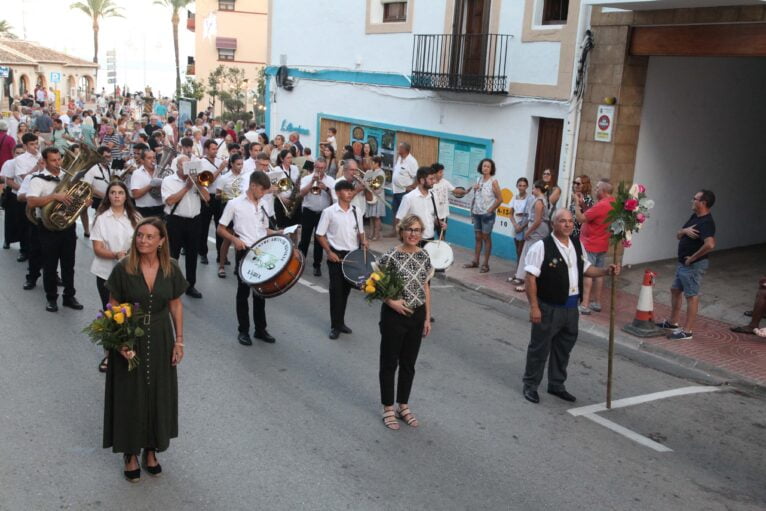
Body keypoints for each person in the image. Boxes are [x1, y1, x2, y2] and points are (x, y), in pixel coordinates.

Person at [103, 217, 188, 482]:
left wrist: (179, 340)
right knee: (131, 393)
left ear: (161, 241)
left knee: (157, 392)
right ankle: (130, 452)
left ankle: (151, 449)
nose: (143, 240)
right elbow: (113, 306)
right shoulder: (123, 268)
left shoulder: (171, 268)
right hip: (131, 334)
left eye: (150, 237)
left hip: (162, 335)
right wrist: (120, 343)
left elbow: (175, 304)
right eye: (140, 235)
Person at [521, 209, 620, 404]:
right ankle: (530, 385)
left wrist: (605, 271)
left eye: (570, 222)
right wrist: (534, 307)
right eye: (562, 221)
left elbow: (586, 269)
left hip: (571, 308)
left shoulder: (577, 244)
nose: (568, 225)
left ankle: (556, 384)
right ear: (553, 224)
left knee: (563, 349)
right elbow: (530, 278)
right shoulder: (541, 247)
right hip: (549, 307)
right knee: (539, 349)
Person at [377, 214, 433, 430]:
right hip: (394, 316)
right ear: (402, 232)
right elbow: (376, 285)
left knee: (409, 364)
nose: (413, 234)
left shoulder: (424, 256)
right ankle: (388, 407)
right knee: (389, 362)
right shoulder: (390, 256)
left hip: (416, 316)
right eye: (409, 229)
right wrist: (392, 303)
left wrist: (427, 317)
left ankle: (403, 405)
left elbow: (426, 287)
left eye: (417, 230)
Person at [217, 171, 283, 346]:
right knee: (243, 293)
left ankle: (260, 329)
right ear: (253, 186)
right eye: (262, 190)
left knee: (261, 292)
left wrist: (279, 233)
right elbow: (221, 229)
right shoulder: (234, 204)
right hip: (244, 250)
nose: (263, 194)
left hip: (262, 251)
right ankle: (243, 330)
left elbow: (265, 230)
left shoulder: (264, 205)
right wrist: (235, 240)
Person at [89, 181, 142, 372]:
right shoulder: (101, 218)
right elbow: (98, 249)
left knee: (133, 313)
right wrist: (117, 255)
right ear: (108, 196)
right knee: (111, 314)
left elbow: (144, 240)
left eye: (120, 192)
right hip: (106, 273)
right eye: (113, 193)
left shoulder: (135, 217)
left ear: (126, 196)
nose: (117, 196)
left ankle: (131, 350)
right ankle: (109, 354)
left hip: (132, 273)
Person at [25, 147, 85, 312]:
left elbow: (75, 199)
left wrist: (83, 202)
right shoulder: (38, 180)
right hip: (47, 228)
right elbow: (31, 202)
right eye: (53, 160)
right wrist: (53, 197)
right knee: (50, 265)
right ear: (44, 161)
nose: (58, 163)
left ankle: (69, 296)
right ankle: (51, 298)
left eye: (59, 159)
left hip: (67, 227)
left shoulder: (69, 178)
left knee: (68, 264)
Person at [657, 189, 716, 340]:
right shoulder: (694, 217)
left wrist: (693, 258)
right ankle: (672, 322)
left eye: (694, 198)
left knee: (691, 295)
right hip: (683, 263)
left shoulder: (707, 222)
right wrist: (684, 230)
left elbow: (710, 245)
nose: (692, 200)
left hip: (692, 266)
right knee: (675, 289)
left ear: (703, 203)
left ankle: (688, 331)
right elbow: (678, 235)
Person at [316, 180, 366, 339]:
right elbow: (319, 234)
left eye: (351, 191)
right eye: (346, 191)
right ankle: (335, 326)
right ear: (338, 193)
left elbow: (361, 231)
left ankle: (341, 322)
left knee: (346, 291)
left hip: (353, 256)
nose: (350, 193)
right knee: (336, 292)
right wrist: (329, 252)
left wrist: (364, 241)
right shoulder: (329, 212)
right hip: (336, 256)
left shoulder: (356, 211)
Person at [162, 154, 210, 299]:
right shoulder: (169, 180)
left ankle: (190, 285)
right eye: (185, 166)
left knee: (192, 254)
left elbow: (207, 198)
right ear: (178, 167)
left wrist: (199, 184)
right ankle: (170, 285)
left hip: (194, 221)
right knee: (173, 255)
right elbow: (170, 201)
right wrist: (186, 187)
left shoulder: (197, 181)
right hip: (175, 221)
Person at [574, 179, 615, 315]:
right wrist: (583, 204)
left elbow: (581, 218)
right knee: (599, 274)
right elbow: (591, 215)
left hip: (590, 243)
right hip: (602, 243)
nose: (595, 190)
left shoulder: (601, 205)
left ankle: (584, 304)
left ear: (603, 191)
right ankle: (596, 302)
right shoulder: (613, 203)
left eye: (597, 188)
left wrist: (576, 204)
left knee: (588, 273)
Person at [463, 158, 502, 273]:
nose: (485, 168)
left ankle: (485, 264)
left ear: (491, 169)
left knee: (486, 238)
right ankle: (476, 261)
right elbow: (477, 196)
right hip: (476, 213)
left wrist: (490, 209)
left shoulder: (493, 182)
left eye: (488, 167)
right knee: (477, 237)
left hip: (486, 215)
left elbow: (500, 199)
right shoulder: (478, 179)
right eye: (484, 166)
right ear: (481, 167)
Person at [298, 156, 335, 277]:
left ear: (326, 168)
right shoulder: (307, 178)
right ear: (314, 167)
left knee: (319, 241)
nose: (320, 170)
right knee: (304, 240)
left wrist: (326, 188)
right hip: (309, 211)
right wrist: (311, 183)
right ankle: (299, 263)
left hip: (323, 213)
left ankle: (317, 265)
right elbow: (301, 194)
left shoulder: (330, 180)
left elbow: (335, 198)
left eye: (322, 168)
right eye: (318, 167)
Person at [513, 180, 550, 292]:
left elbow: (537, 220)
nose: (532, 190)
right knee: (532, 255)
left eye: (533, 188)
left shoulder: (539, 201)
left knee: (531, 257)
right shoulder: (542, 200)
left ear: (538, 189)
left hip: (536, 232)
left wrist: (528, 231)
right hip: (537, 230)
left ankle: (527, 284)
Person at [395, 166, 444, 245]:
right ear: (422, 180)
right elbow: (399, 220)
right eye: (431, 179)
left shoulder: (434, 196)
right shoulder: (409, 198)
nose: (434, 181)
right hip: (414, 241)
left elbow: (434, 219)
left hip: (430, 240)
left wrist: (440, 223)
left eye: (434, 179)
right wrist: (405, 240)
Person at [215, 153, 246, 277]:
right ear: (231, 164)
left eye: (242, 164)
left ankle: (238, 266)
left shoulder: (245, 177)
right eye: (238, 164)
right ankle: (221, 266)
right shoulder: (224, 178)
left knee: (241, 238)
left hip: (242, 209)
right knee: (227, 239)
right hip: (229, 207)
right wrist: (228, 196)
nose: (240, 167)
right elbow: (217, 195)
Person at [197, 139, 227, 265]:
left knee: (220, 227)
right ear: (206, 149)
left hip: (220, 197)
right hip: (207, 197)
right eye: (213, 149)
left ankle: (221, 255)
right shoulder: (201, 163)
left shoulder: (221, 161)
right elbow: (205, 182)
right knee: (203, 227)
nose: (215, 151)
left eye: (216, 149)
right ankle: (203, 253)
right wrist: (219, 170)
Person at [388, 142, 418, 236]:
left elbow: (417, 176)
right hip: (396, 191)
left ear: (405, 150)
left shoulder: (412, 161)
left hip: (404, 193)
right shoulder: (400, 158)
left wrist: (412, 187)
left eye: (400, 148)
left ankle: (405, 234)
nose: (398, 149)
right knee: (395, 212)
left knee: (405, 214)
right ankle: (394, 231)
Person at [508, 177, 532, 285]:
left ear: (527, 186)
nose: (521, 187)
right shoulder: (514, 197)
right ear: (517, 186)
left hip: (524, 224)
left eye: (524, 185)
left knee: (521, 250)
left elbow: (530, 216)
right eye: (520, 185)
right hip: (516, 224)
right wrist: (515, 224)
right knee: (517, 250)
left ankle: (521, 274)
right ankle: (518, 272)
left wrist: (522, 227)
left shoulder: (529, 198)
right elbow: (510, 213)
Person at [130, 149, 164, 218]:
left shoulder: (161, 171)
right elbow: (135, 195)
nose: (153, 160)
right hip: (144, 211)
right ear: (142, 161)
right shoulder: (137, 173)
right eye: (149, 158)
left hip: (160, 209)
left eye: (154, 157)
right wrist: (151, 185)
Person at [365, 156, 387, 240]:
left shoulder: (381, 173)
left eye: (372, 163)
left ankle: (376, 234)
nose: (371, 164)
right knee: (371, 216)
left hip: (378, 197)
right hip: (370, 196)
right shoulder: (370, 172)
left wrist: (367, 183)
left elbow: (374, 186)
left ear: (377, 163)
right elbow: (365, 182)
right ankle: (371, 233)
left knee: (377, 217)